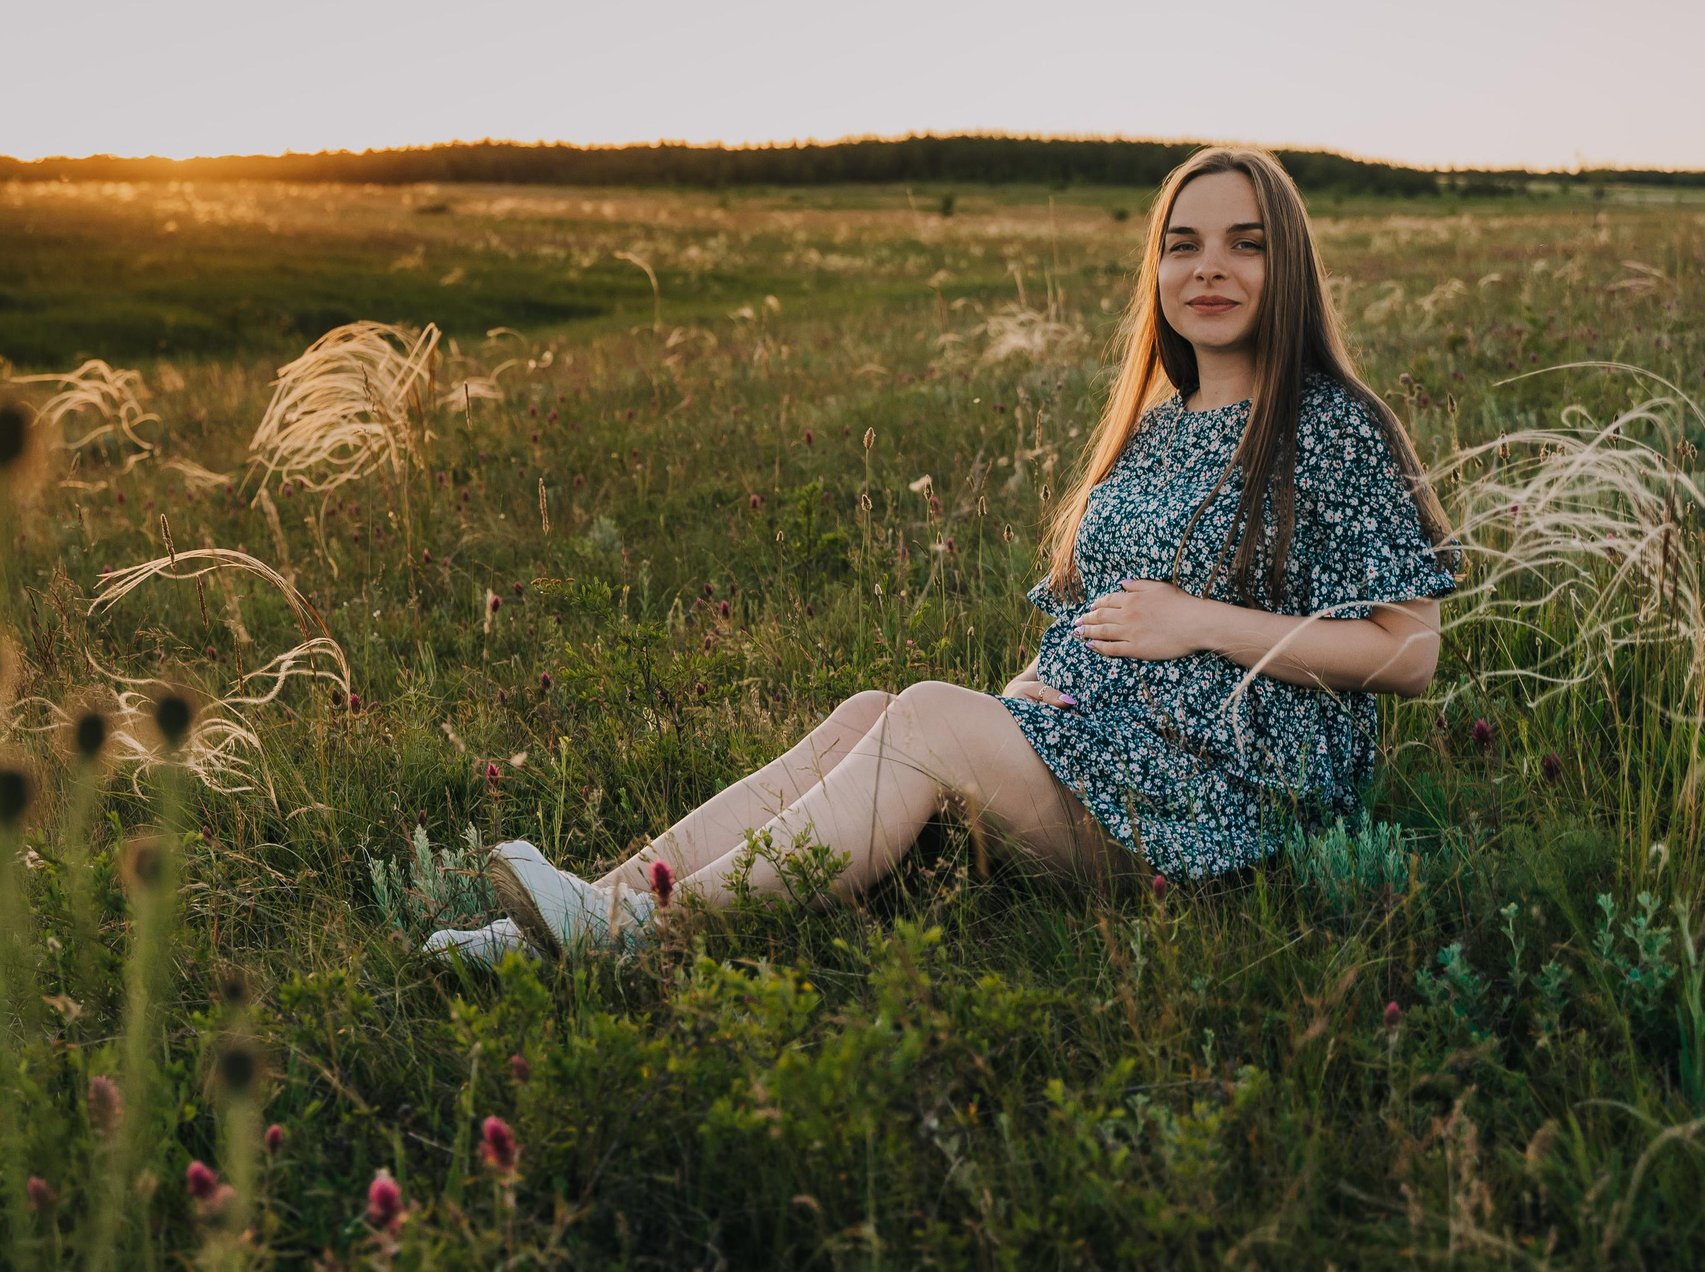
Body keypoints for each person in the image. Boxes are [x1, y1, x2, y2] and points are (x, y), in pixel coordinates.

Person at [431, 146, 1457, 964]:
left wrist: (1199, 624)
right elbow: (1095, 613)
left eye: (1245, 244)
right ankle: (580, 913)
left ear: (1289, 266)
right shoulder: (1153, 427)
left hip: (1211, 802)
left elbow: (1407, 654)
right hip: (1099, 746)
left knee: (923, 714)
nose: (1209, 270)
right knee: (867, 715)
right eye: (1182, 245)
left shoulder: (1329, 425)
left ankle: (637, 938)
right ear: (1156, 269)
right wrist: (1034, 686)